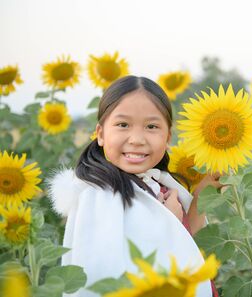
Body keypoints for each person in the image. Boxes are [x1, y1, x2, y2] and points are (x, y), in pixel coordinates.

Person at [48, 75, 220, 297]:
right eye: (123, 125)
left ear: (168, 137)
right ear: (100, 134)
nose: (137, 139)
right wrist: (166, 220)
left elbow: (187, 240)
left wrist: (200, 197)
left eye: (151, 126)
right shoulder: (100, 196)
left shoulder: (156, 181)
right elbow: (107, 275)